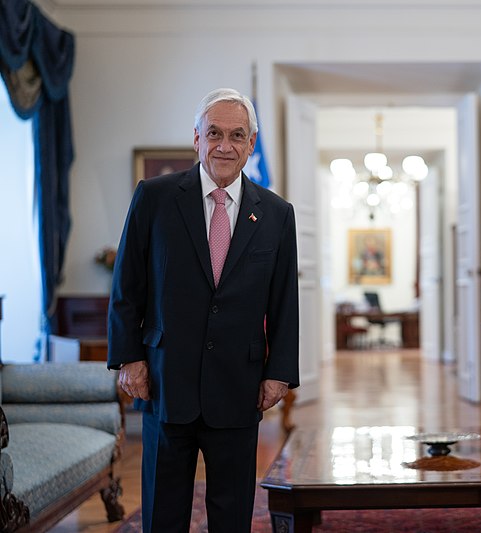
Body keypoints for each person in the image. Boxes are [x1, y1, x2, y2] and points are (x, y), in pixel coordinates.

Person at [108, 87, 299, 532]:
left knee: (232, 513)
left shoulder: (275, 214)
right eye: (214, 133)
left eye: (237, 135)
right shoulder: (153, 198)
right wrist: (129, 358)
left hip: (239, 385)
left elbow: (284, 300)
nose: (225, 145)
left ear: (252, 143)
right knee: (163, 512)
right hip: (163, 381)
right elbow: (126, 286)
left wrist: (279, 372)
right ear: (196, 138)